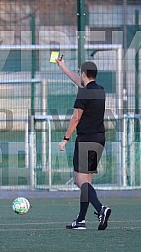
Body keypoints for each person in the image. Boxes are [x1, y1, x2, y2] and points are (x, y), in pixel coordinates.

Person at [56, 58, 111, 230]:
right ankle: (80, 220)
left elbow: (76, 118)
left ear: (84, 74)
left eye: (80, 73)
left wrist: (65, 139)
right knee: (87, 182)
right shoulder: (100, 90)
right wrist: (62, 66)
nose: (78, 75)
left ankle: (101, 208)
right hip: (99, 139)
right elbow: (78, 81)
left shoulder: (83, 93)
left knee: (79, 181)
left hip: (86, 139)